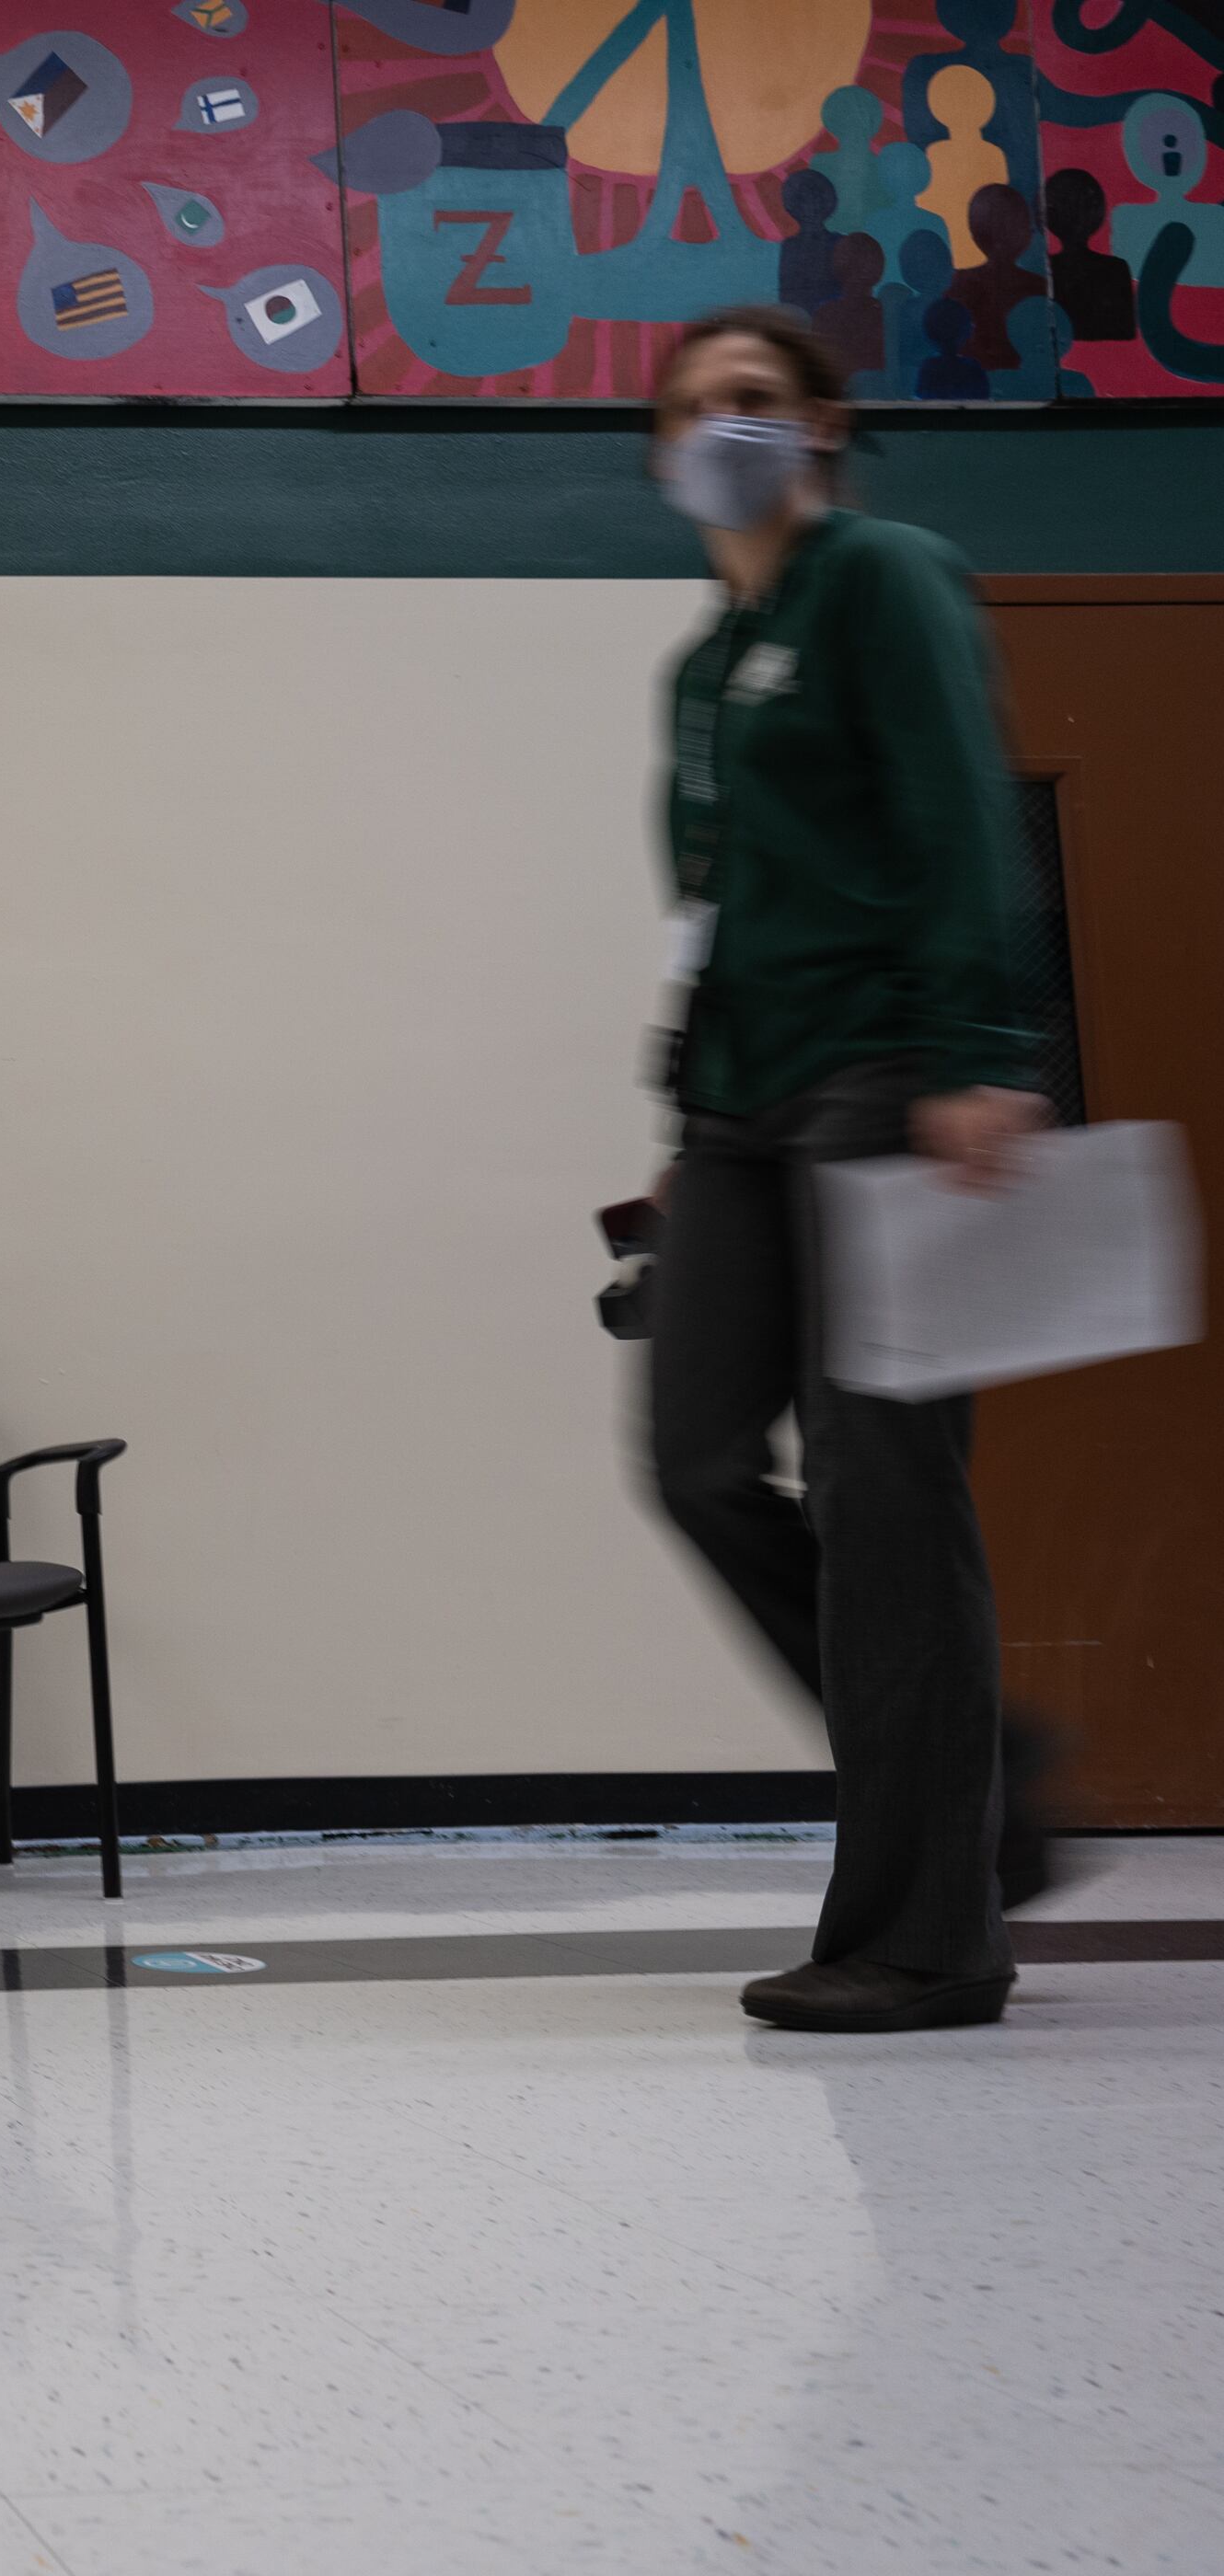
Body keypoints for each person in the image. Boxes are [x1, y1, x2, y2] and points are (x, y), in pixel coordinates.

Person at [639, 309, 1050, 2036]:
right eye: (693, 409)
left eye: (757, 400)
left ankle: (927, 1934)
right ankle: (984, 1790)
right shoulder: (699, 666)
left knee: (887, 1503)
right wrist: (679, 1131)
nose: (725, 429)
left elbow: (961, 808)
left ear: (821, 425)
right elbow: (713, 909)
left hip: (890, 1073)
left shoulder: (885, 575)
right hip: (740, 1101)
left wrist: (982, 1053)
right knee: (698, 1458)